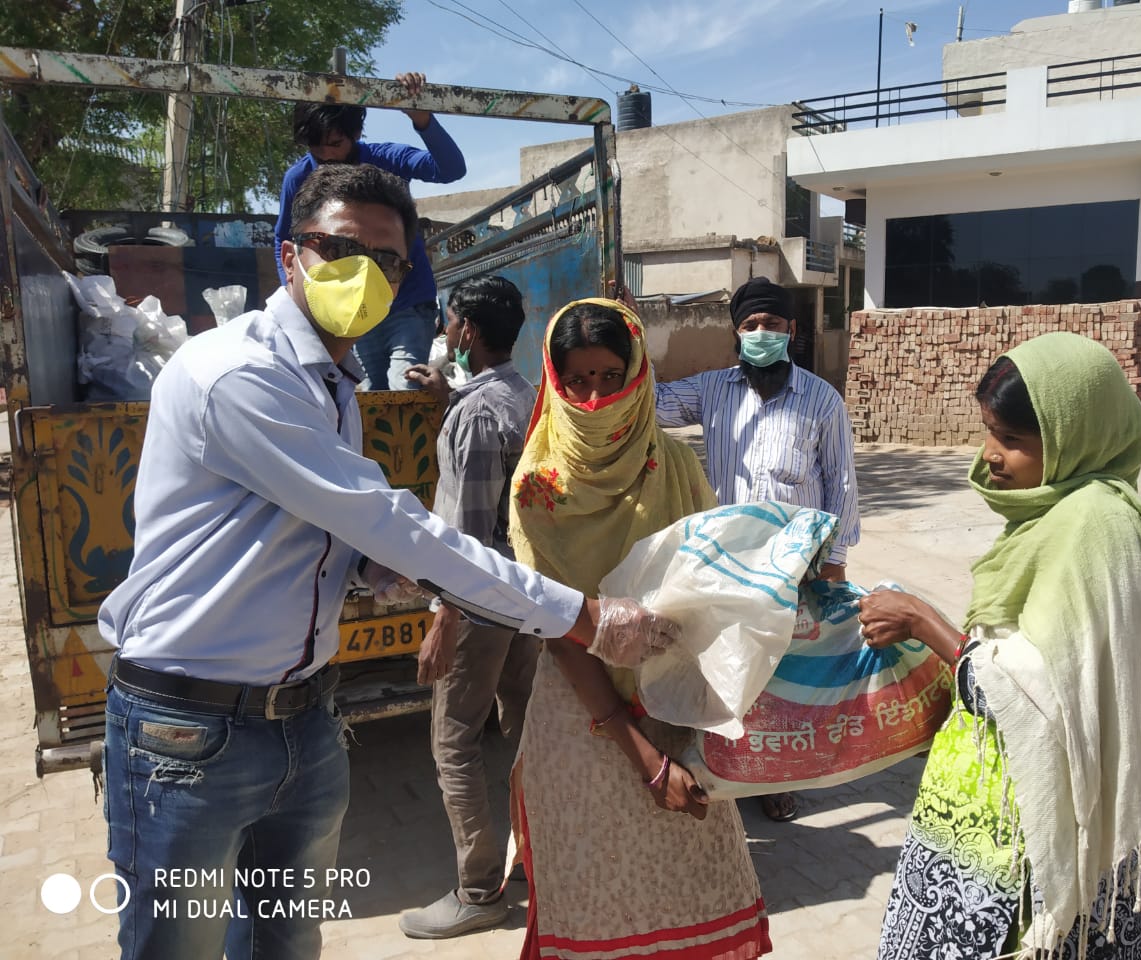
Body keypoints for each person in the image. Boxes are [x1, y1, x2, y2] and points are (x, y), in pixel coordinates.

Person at [99, 165, 674, 960]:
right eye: (339, 247)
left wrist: (368, 571)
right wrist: (585, 619)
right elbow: (388, 520)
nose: (364, 274)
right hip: (188, 729)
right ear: (289, 252)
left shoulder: (334, 384)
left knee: (287, 944)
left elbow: (332, 528)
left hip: (302, 715)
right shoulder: (238, 374)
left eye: (388, 260)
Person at [859, 332, 1141, 960]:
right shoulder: (1055, 514)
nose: (992, 457)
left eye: (1013, 440)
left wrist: (926, 623)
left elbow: (1039, 697)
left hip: (1036, 831)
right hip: (994, 809)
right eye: (988, 431)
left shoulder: (1098, 527)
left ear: (1073, 436)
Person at [509, 298, 772, 960]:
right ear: (554, 379)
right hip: (583, 718)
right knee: (595, 903)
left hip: (678, 710)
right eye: (576, 380)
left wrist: (684, 739)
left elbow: (715, 589)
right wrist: (643, 757)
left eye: (608, 377)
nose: (594, 398)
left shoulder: (676, 467)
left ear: (635, 377)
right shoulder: (538, 487)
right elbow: (556, 628)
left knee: (694, 890)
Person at [653, 275, 860, 824]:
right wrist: (634, 334)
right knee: (728, 665)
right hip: (730, 559)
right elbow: (648, 405)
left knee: (785, 671)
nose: (761, 333)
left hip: (796, 565)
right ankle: (729, 766)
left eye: (771, 324)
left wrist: (834, 566)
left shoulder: (821, 399)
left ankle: (778, 778)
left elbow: (840, 484)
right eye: (750, 325)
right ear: (736, 333)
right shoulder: (712, 390)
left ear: (791, 331)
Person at [396, 275, 539, 939]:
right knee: (525, 737)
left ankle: (480, 891)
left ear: (468, 333)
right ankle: (546, 862)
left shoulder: (479, 417)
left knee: (455, 745)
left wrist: (443, 621)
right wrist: (447, 393)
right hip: (525, 602)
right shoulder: (522, 395)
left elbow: (470, 536)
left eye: (453, 323)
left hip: (479, 606)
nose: (449, 332)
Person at [274, 72, 465, 391]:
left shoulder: (387, 159)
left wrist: (422, 119)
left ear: (356, 133)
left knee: (405, 390)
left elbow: (451, 169)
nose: (326, 155)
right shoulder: (298, 177)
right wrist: (297, 296)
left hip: (405, 303)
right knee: (365, 398)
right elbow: (284, 240)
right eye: (316, 146)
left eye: (335, 143)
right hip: (351, 310)